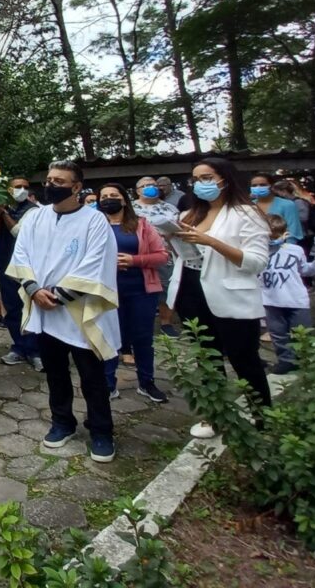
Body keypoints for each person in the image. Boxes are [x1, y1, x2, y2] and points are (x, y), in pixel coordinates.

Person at [6, 160, 121, 463]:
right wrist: (33, 289)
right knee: (55, 373)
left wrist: (58, 295)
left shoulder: (94, 221)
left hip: (79, 311)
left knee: (91, 376)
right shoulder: (35, 218)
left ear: (77, 187)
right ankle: (62, 423)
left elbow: (96, 262)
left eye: (59, 180)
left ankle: (101, 431)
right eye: (49, 179)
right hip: (44, 311)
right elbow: (22, 255)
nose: (51, 184)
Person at [170, 158, 271, 439]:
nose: (201, 183)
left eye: (207, 177)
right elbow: (183, 254)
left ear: (224, 179)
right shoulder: (189, 215)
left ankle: (263, 419)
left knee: (243, 359)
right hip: (190, 289)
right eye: (196, 178)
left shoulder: (246, 214)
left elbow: (256, 262)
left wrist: (212, 241)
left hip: (230, 293)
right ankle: (215, 415)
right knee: (206, 358)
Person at [98, 183, 169, 403]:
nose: (109, 199)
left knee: (142, 339)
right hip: (107, 291)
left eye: (114, 195)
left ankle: (146, 383)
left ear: (124, 200)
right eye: (104, 196)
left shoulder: (142, 225)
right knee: (108, 339)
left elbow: (162, 256)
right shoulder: (94, 226)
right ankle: (108, 384)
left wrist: (135, 260)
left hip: (141, 290)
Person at [260, 215, 315, 374]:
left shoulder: (295, 250)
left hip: (296, 299)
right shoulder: (258, 253)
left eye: (276, 234)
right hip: (270, 300)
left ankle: (306, 360)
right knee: (278, 334)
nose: (273, 238)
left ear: (285, 233)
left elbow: (306, 270)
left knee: (303, 333)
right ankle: (286, 361)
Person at [0, 177, 42, 371]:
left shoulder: (33, 210)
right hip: (6, 265)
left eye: (26, 187)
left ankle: (35, 351)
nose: (22, 190)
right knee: (12, 308)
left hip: (27, 268)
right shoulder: (2, 208)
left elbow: (18, 232)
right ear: (8, 190)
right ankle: (19, 347)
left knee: (29, 308)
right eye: (18, 187)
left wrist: (3, 212)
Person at [132, 176, 182, 337]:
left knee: (166, 289)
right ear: (138, 190)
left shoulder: (170, 208)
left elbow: (180, 228)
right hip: (138, 255)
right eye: (145, 185)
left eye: (153, 185)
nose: (150, 188)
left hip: (166, 253)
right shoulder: (130, 209)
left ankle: (166, 322)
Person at [250, 173, 303, 244]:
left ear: (271, 186)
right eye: (254, 185)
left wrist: (287, 248)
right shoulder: (249, 206)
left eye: (262, 185)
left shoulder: (287, 205)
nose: (258, 187)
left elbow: (293, 232)